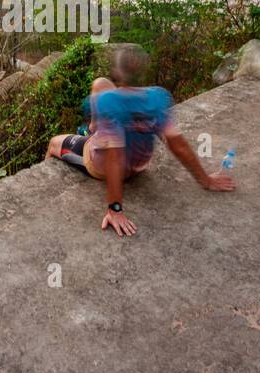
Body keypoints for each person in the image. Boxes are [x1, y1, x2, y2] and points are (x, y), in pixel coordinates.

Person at [45, 47, 235, 237]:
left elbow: (115, 158)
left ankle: (89, 135)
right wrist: (206, 180)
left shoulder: (108, 102)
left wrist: (115, 209)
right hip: (139, 165)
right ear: (143, 72)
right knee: (101, 83)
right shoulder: (157, 98)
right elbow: (179, 146)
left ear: (117, 72)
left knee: (54, 143)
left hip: (101, 164)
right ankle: (94, 127)